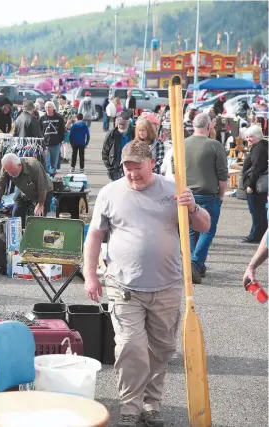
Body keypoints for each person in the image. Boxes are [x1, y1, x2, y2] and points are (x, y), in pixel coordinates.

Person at [83, 140, 211, 427]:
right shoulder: (109, 193)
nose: (132, 175)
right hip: (124, 287)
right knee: (130, 347)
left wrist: (192, 207)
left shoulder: (173, 190)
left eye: (137, 168)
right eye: (127, 169)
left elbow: (204, 225)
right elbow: (94, 236)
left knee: (161, 349)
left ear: (152, 163)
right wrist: (90, 274)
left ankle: (151, 404)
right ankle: (129, 408)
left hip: (167, 286)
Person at [184, 112, 228, 283]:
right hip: (208, 194)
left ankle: (196, 265)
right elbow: (222, 174)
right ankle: (195, 263)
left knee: (192, 231)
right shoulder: (215, 145)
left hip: (187, 193)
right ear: (209, 126)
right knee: (207, 230)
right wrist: (221, 194)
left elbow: (174, 169)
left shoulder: (183, 144)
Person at [0, 153, 52, 229]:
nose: (10, 174)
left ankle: (35, 236)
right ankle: (18, 236)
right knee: (16, 215)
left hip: (43, 192)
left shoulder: (34, 165)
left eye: (12, 171)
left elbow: (42, 187)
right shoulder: (7, 166)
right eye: (8, 171)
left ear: (19, 165)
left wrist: (40, 204)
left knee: (38, 219)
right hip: (23, 190)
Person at [241, 125, 268, 243]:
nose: (248, 139)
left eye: (251, 137)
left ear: (257, 136)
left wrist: (250, 185)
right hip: (258, 184)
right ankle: (258, 234)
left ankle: (255, 235)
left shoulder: (259, 148)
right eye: (247, 137)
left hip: (255, 184)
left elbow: (256, 168)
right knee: (259, 211)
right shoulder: (261, 146)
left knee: (256, 211)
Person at [102, 112, 134, 181]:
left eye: (123, 124)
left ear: (128, 123)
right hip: (116, 169)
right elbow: (104, 153)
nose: (121, 126)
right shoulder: (111, 135)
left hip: (131, 168)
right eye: (119, 124)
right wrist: (110, 169)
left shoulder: (133, 133)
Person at [40, 101, 66, 175]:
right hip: (46, 145)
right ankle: (48, 177)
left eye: (49, 107)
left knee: (54, 163)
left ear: (53, 108)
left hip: (56, 144)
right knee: (47, 163)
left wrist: (60, 141)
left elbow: (62, 130)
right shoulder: (42, 119)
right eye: (46, 107)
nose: (47, 109)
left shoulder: (59, 118)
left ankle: (52, 176)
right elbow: (40, 131)